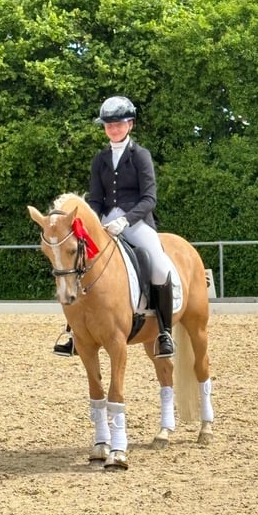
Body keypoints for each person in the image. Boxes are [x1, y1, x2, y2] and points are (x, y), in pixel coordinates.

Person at [53, 96, 175, 358]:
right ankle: (74, 332)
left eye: (118, 124)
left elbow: (149, 198)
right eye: (109, 125)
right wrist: (94, 223)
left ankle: (165, 332)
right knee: (78, 264)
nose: (114, 129)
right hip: (104, 223)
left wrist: (126, 219)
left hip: (136, 222)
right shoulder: (100, 159)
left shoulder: (141, 156)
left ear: (129, 125)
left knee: (160, 264)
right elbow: (95, 199)